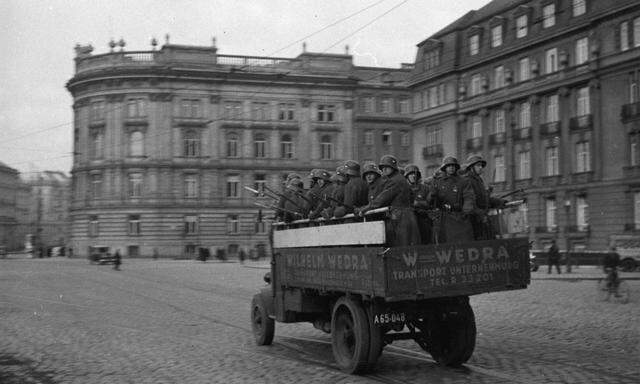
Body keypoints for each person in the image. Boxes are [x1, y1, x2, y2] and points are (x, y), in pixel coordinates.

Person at [356, 155, 420, 246]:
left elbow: (381, 200)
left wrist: (364, 209)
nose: (384, 170)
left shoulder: (394, 181)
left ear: (393, 168)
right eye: (383, 168)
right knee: (408, 246)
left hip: (400, 217)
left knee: (400, 247)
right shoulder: (400, 179)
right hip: (407, 215)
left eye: (387, 167)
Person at [431, 156, 475, 243]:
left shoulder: (463, 181)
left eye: (453, 166)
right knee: (446, 244)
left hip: (459, 216)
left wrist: (466, 209)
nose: (451, 168)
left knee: (463, 243)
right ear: (445, 168)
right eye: (448, 166)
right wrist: (432, 195)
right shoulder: (439, 182)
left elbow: (468, 196)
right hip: (444, 218)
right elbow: (433, 201)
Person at [463, 154, 507, 240]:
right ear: (471, 167)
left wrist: (499, 201)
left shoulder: (478, 180)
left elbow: (484, 200)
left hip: (482, 219)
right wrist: (481, 214)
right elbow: (469, 203)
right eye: (478, 165)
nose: (481, 168)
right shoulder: (467, 181)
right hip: (473, 222)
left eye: (481, 166)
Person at [404, 164, 433, 244]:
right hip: (409, 220)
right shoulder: (403, 189)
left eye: (415, 174)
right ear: (407, 176)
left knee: (426, 241)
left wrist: (418, 203)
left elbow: (430, 204)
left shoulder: (425, 188)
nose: (413, 176)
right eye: (410, 174)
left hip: (423, 219)